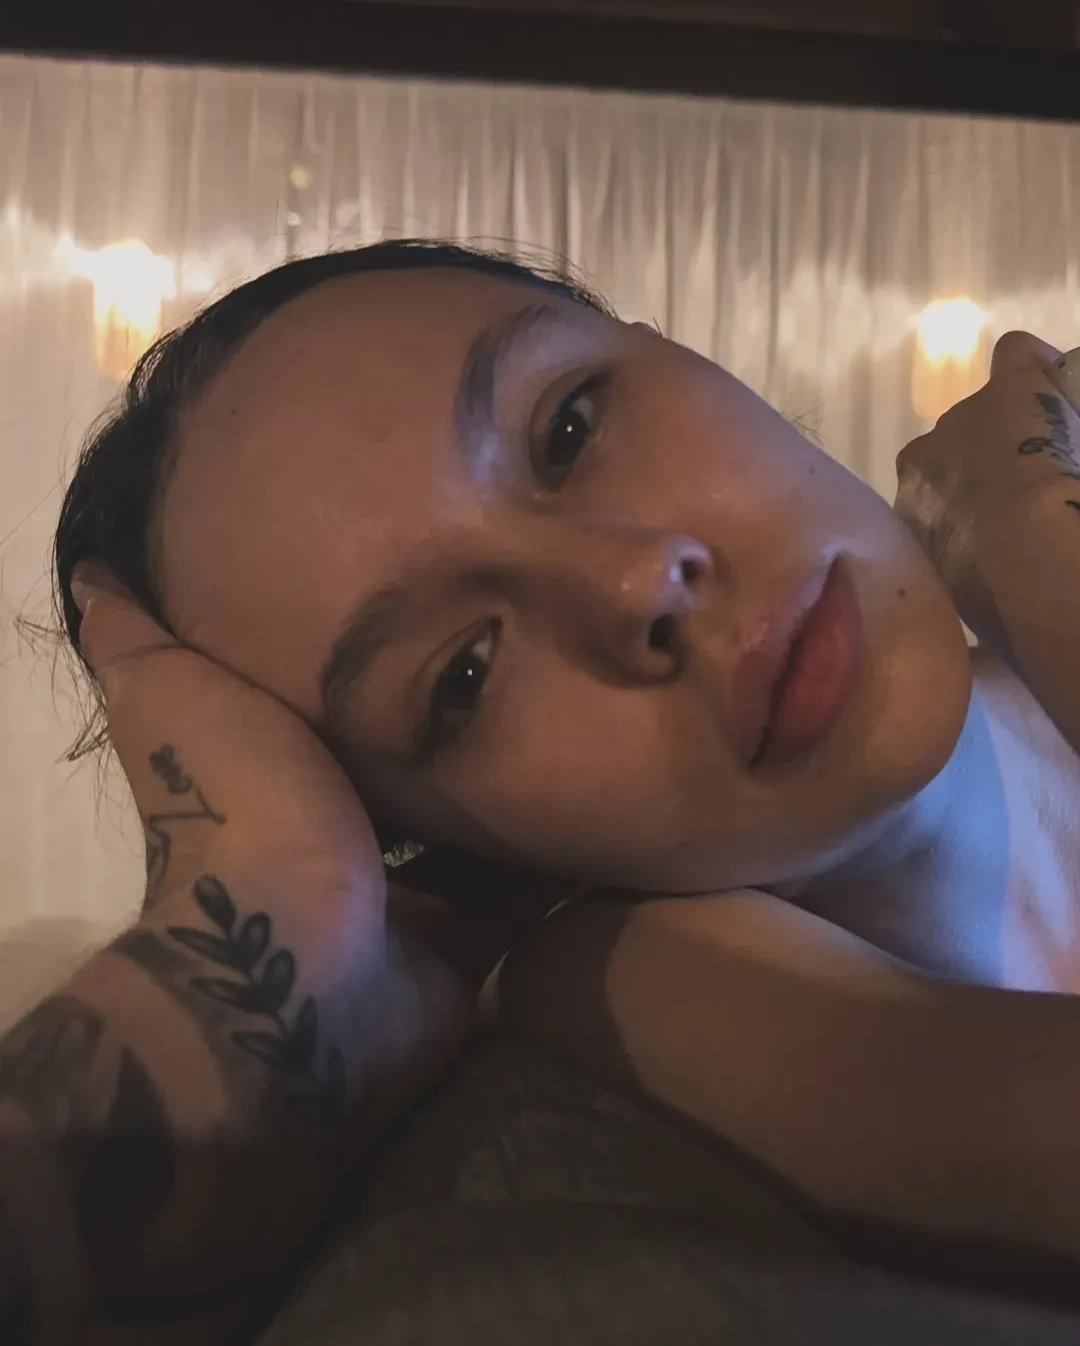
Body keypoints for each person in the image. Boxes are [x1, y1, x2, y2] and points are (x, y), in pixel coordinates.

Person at [5, 240, 1080, 1344]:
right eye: (464, 678)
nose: (636, 584)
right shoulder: (624, 984)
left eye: (570, 429)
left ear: (679, 353)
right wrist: (1040, 545)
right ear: (440, 842)